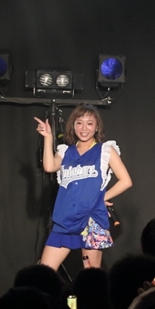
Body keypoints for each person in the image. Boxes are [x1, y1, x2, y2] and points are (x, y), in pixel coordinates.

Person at [35, 105, 132, 270]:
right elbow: (49, 167)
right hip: (65, 219)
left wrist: (100, 199)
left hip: (91, 220)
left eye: (89, 123)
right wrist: (47, 137)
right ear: (73, 126)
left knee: (91, 275)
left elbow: (126, 181)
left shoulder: (105, 150)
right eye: (79, 123)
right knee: (44, 272)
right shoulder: (65, 152)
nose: (84, 128)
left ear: (97, 127)